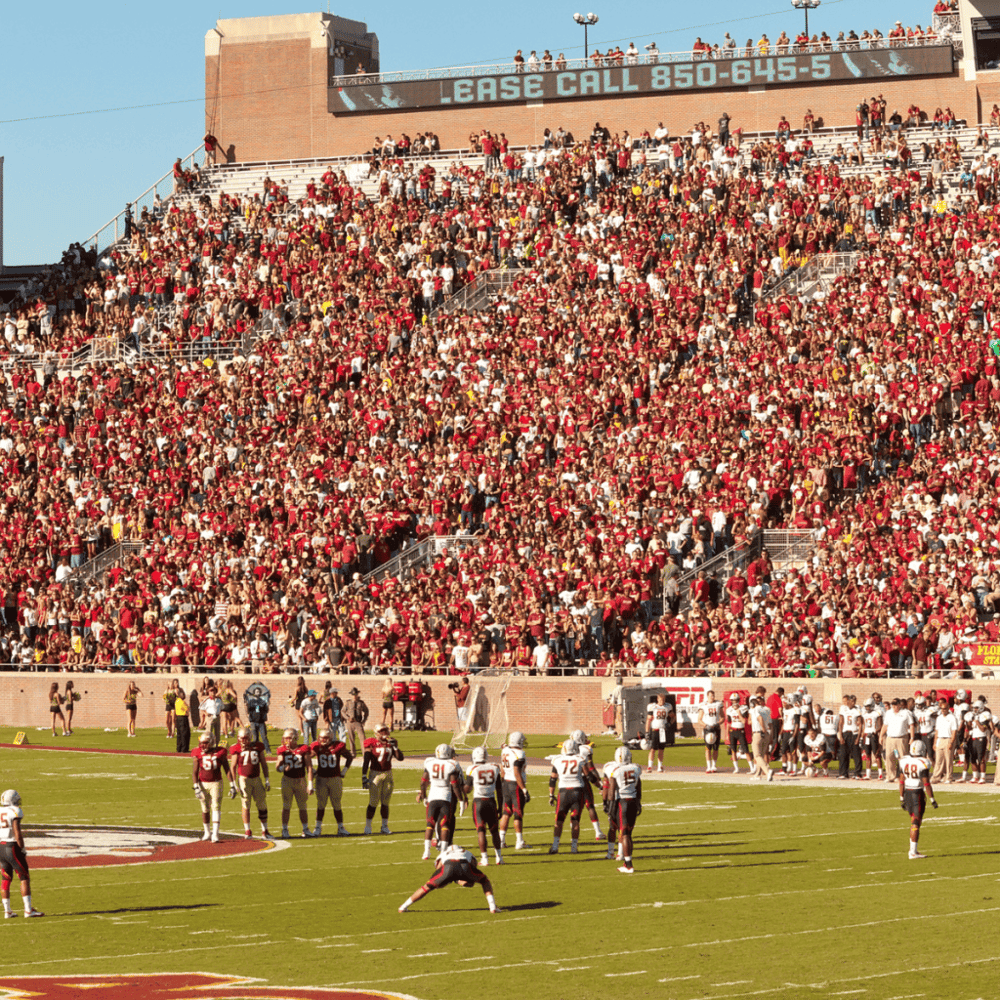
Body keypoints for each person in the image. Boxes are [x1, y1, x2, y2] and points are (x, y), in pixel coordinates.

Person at [398, 844, 500, 914]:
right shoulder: (467, 852)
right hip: (465, 864)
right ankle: (492, 907)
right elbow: (473, 866)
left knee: (427, 887)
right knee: (484, 881)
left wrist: (445, 880)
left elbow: (439, 868)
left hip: (447, 867)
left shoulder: (443, 854)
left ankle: (403, 906)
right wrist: (460, 879)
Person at [547, 738, 598, 854]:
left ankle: (555, 846)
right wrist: (600, 786)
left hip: (563, 792)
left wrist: (551, 795)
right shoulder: (580, 759)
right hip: (577, 791)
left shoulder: (557, 760)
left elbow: (552, 779)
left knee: (559, 820)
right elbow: (589, 776)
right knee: (575, 820)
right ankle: (574, 848)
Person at [0, 790, 43, 918]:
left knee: (5, 878)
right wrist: (22, 849)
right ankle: (28, 910)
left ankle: (7, 911)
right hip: (11, 846)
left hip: (1, 847)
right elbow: (17, 833)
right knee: (24, 877)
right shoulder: (15, 811)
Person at [418, 743, 465, 860]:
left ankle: (426, 852)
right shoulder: (452, 765)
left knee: (430, 824)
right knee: (444, 825)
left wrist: (423, 796)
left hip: (432, 796)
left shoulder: (430, 762)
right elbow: (454, 784)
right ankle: (443, 852)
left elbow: (423, 782)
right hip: (446, 797)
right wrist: (461, 800)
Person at [229, 726, 272, 840]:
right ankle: (247, 831)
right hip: (244, 779)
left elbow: (263, 763)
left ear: (250, 737)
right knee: (246, 804)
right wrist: (234, 783)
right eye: (241, 738)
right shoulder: (236, 748)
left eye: (245, 738)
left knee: (262, 804)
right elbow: (233, 767)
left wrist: (267, 779)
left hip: (257, 779)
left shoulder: (258, 746)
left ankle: (265, 831)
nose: (243, 741)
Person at [309, 727, 353, 837]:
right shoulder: (317, 746)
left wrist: (344, 771)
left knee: (337, 804)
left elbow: (349, 757)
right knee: (321, 804)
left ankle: (341, 827)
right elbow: (306, 758)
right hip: (321, 779)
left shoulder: (338, 745)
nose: (322, 740)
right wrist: (313, 771)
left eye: (325, 738)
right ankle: (318, 828)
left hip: (335, 779)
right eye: (321, 738)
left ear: (331, 737)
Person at [898, 739, 938, 859]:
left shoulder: (904, 761)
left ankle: (913, 850)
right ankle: (913, 852)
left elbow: (901, 781)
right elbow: (926, 783)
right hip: (917, 793)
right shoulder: (923, 762)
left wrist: (901, 798)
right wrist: (932, 799)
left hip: (907, 793)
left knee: (915, 821)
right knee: (916, 822)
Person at [464, 746, 504, 867]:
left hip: (479, 802)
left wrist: (461, 789)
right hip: (491, 801)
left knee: (481, 830)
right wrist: (500, 806)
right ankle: (499, 857)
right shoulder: (495, 768)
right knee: (494, 831)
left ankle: (485, 858)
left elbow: (467, 789)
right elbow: (499, 790)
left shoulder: (472, 768)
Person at [606, 746, 643, 874]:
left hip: (623, 802)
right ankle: (626, 861)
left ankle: (628, 865)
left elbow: (611, 791)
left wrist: (609, 806)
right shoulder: (636, 768)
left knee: (625, 833)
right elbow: (639, 786)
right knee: (628, 833)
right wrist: (639, 803)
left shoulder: (615, 770)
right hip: (633, 801)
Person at [362, 723, 403, 835]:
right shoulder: (371, 743)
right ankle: (368, 826)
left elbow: (400, 758)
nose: (385, 733)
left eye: (386, 730)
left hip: (388, 774)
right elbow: (366, 760)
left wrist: (395, 747)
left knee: (385, 803)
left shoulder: (391, 742)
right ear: (376, 733)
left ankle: (384, 826)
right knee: (373, 802)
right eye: (382, 731)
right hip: (375, 775)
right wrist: (364, 776)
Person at [192, 731, 231, 842]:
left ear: (211, 742)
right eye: (201, 743)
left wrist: (232, 784)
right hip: (202, 783)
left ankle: (215, 833)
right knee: (204, 808)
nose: (202, 745)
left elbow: (226, 768)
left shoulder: (220, 752)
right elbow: (194, 771)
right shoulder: (197, 752)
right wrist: (196, 787)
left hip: (216, 782)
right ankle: (207, 832)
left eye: (205, 743)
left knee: (216, 807)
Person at [275, 727, 314, 839]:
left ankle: (305, 829)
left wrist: (310, 783)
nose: (286, 740)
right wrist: (282, 768)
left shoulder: (303, 749)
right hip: (287, 781)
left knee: (303, 807)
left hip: (300, 780)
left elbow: (309, 767)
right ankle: (285, 829)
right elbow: (278, 766)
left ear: (294, 738)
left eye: (288, 738)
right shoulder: (282, 750)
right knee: (286, 806)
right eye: (285, 738)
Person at [499, 731, 530, 850]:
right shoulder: (520, 754)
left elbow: (502, 768)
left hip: (505, 783)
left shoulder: (505, 751)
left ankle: (501, 841)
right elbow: (517, 773)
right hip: (515, 785)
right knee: (518, 813)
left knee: (506, 812)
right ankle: (519, 841)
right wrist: (524, 789)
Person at [882, 698, 915, 782]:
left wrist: (912, 738)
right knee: (889, 757)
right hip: (890, 738)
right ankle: (890, 776)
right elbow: (885, 725)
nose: (894, 706)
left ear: (900, 705)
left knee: (903, 758)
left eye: (896, 705)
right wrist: (881, 735)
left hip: (902, 738)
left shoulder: (906, 713)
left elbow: (911, 725)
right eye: (893, 705)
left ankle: (904, 775)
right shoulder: (889, 713)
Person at [837, 694, 863, 780]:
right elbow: (841, 723)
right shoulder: (843, 710)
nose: (853, 702)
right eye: (851, 700)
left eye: (854, 701)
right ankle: (843, 773)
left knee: (856, 754)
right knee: (843, 754)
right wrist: (841, 736)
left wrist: (858, 737)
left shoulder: (857, 710)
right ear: (848, 701)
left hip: (854, 733)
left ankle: (857, 773)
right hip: (845, 733)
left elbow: (860, 724)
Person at [932, 696, 957, 783]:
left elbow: (954, 731)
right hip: (940, 739)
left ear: (948, 708)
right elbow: (937, 731)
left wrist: (951, 742)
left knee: (948, 759)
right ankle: (936, 776)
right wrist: (935, 743)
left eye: (945, 709)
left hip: (948, 739)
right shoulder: (939, 718)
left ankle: (949, 776)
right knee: (938, 759)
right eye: (942, 709)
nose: (943, 710)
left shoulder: (952, 718)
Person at [725, 693, 751, 774]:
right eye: (732, 700)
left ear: (739, 700)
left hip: (741, 730)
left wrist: (738, 712)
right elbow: (729, 723)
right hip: (733, 731)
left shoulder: (743, 708)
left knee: (746, 750)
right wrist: (727, 734)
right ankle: (736, 768)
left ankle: (752, 767)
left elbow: (744, 721)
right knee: (733, 750)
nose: (734, 702)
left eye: (735, 700)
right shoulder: (729, 710)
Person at [645, 693, 672, 772]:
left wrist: (669, 723)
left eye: (663, 700)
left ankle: (660, 766)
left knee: (661, 749)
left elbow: (673, 717)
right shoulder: (653, 707)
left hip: (663, 730)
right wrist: (647, 732)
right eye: (660, 700)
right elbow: (648, 720)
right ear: (657, 699)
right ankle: (650, 766)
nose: (662, 702)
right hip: (655, 730)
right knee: (653, 749)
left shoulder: (667, 706)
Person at [749, 696, 773, 781]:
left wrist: (763, 728)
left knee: (757, 755)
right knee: (761, 755)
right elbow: (770, 724)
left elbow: (760, 718)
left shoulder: (755, 710)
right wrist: (770, 735)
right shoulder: (766, 710)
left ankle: (767, 770)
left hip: (758, 733)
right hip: (766, 734)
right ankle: (758, 774)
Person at [699, 690, 724, 774]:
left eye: (713, 696)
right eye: (710, 696)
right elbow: (699, 719)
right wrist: (706, 726)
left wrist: (718, 723)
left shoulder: (718, 704)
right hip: (708, 729)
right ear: (707, 696)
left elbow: (723, 717)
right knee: (708, 748)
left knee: (716, 748)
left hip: (716, 728)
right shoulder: (703, 705)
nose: (712, 697)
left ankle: (714, 765)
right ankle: (708, 766)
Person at [244, 682, 271, 752]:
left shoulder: (263, 702)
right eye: (256, 691)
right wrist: (245, 705)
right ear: (254, 693)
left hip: (261, 721)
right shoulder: (251, 701)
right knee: (255, 738)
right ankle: (256, 750)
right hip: (253, 721)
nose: (257, 692)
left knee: (264, 736)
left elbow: (266, 710)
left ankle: (268, 750)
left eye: (258, 691)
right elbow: (247, 711)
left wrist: (268, 705)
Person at [861, 697, 884, 780]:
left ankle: (880, 774)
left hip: (873, 735)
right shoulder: (864, 714)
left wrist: (875, 731)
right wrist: (862, 736)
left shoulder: (877, 713)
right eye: (866, 706)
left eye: (868, 706)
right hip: (866, 735)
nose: (867, 708)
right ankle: (868, 774)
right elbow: (863, 726)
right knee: (867, 755)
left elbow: (880, 725)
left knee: (876, 754)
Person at [344, 687, 369, 756]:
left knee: (362, 737)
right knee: (351, 738)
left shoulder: (361, 703)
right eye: (353, 695)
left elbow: (366, 711)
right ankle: (353, 753)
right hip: (350, 722)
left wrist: (364, 720)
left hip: (358, 722)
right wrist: (347, 718)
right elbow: (342, 712)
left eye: (355, 694)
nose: (354, 696)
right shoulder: (348, 702)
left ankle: (365, 753)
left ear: (357, 694)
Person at [174, 687, 192, 753]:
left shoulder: (176, 701)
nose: (184, 695)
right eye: (182, 694)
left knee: (179, 734)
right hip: (183, 718)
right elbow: (188, 709)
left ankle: (179, 748)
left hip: (178, 718)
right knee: (185, 733)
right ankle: (184, 749)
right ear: (179, 694)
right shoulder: (181, 702)